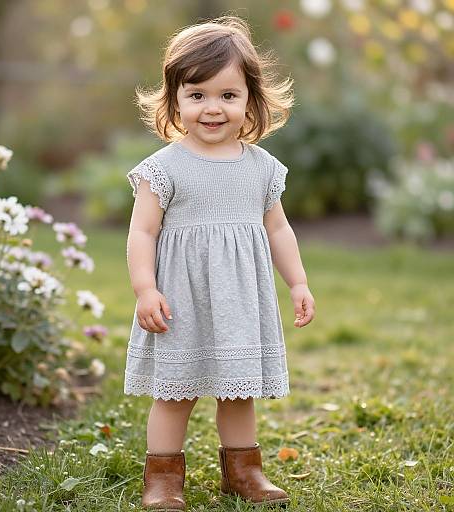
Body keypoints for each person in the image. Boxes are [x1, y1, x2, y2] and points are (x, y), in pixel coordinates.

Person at [124, 15, 315, 510]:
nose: (213, 108)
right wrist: (146, 289)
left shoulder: (262, 168)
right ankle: (163, 478)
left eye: (228, 96)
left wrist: (297, 282)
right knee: (175, 391)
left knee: (238, 391)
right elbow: (142, 231)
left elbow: (278, 229)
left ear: (251, 99)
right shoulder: (164, 168)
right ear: (175, 100)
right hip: (181, 303)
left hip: (238, 302)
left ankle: (244, 472)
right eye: (197, 95)